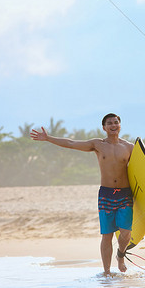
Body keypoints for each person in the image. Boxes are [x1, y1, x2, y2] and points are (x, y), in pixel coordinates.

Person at [30, 113, 134, 276]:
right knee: (107, 235)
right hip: (106, 194)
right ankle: (106, 273)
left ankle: (120, 255)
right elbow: (71, 143)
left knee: (126, 232)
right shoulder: (98, 144)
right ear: (104, 127)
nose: (113, 125)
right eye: (109, 123)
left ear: (120, 125)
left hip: (125, 193)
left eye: (116, 122)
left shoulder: (129, 147)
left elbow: (141, 171)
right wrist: (48, 138)